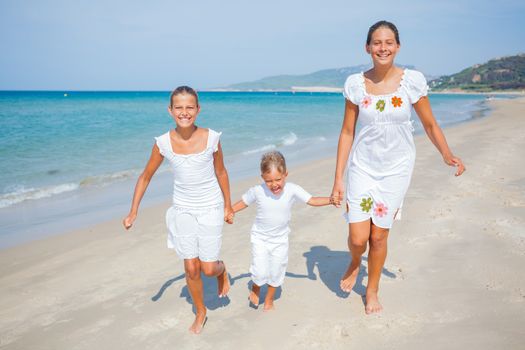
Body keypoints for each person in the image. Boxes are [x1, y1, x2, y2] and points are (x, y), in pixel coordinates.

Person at [331, 21, 465, 314]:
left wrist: (446, 153)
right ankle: (355, 260)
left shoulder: (411, 81)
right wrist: (338, 179)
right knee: (357, 238)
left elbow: (429, 123)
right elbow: (346, 132)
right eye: (377, 43)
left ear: (398, 46)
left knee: (378, 235)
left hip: (396, 169)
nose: (383, 48)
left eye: (389, 42)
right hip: (363, 167)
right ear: (367, 47)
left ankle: (372, 290)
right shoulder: (355, 84)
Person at [122, 86, 233, 334]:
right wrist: (133, 211)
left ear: (198, 109)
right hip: (182, 208)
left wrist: (227, 205)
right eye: (179, 107)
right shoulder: (162, 143)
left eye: (189, 107)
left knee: (207, 268)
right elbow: (145, 176)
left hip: (210, 207)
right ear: (170, 110)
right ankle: (201, 311)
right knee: (191, 267)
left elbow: (221, 172)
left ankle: (222, 269)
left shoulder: (212, 138)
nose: (185, 112)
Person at [229, 151, 334, 310]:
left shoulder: (292, 189)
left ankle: (269, 299)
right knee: (260, 270)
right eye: (268, 180)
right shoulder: (257, 191)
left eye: (278, 179)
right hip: (260, 238)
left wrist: (330, 200)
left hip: (280, 240)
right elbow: (243, 202)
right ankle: (256, 287)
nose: (274, 184)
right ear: (262, 177)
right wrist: (230, 211)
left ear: (285, 174)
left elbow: (311, 200)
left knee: (277, 270)